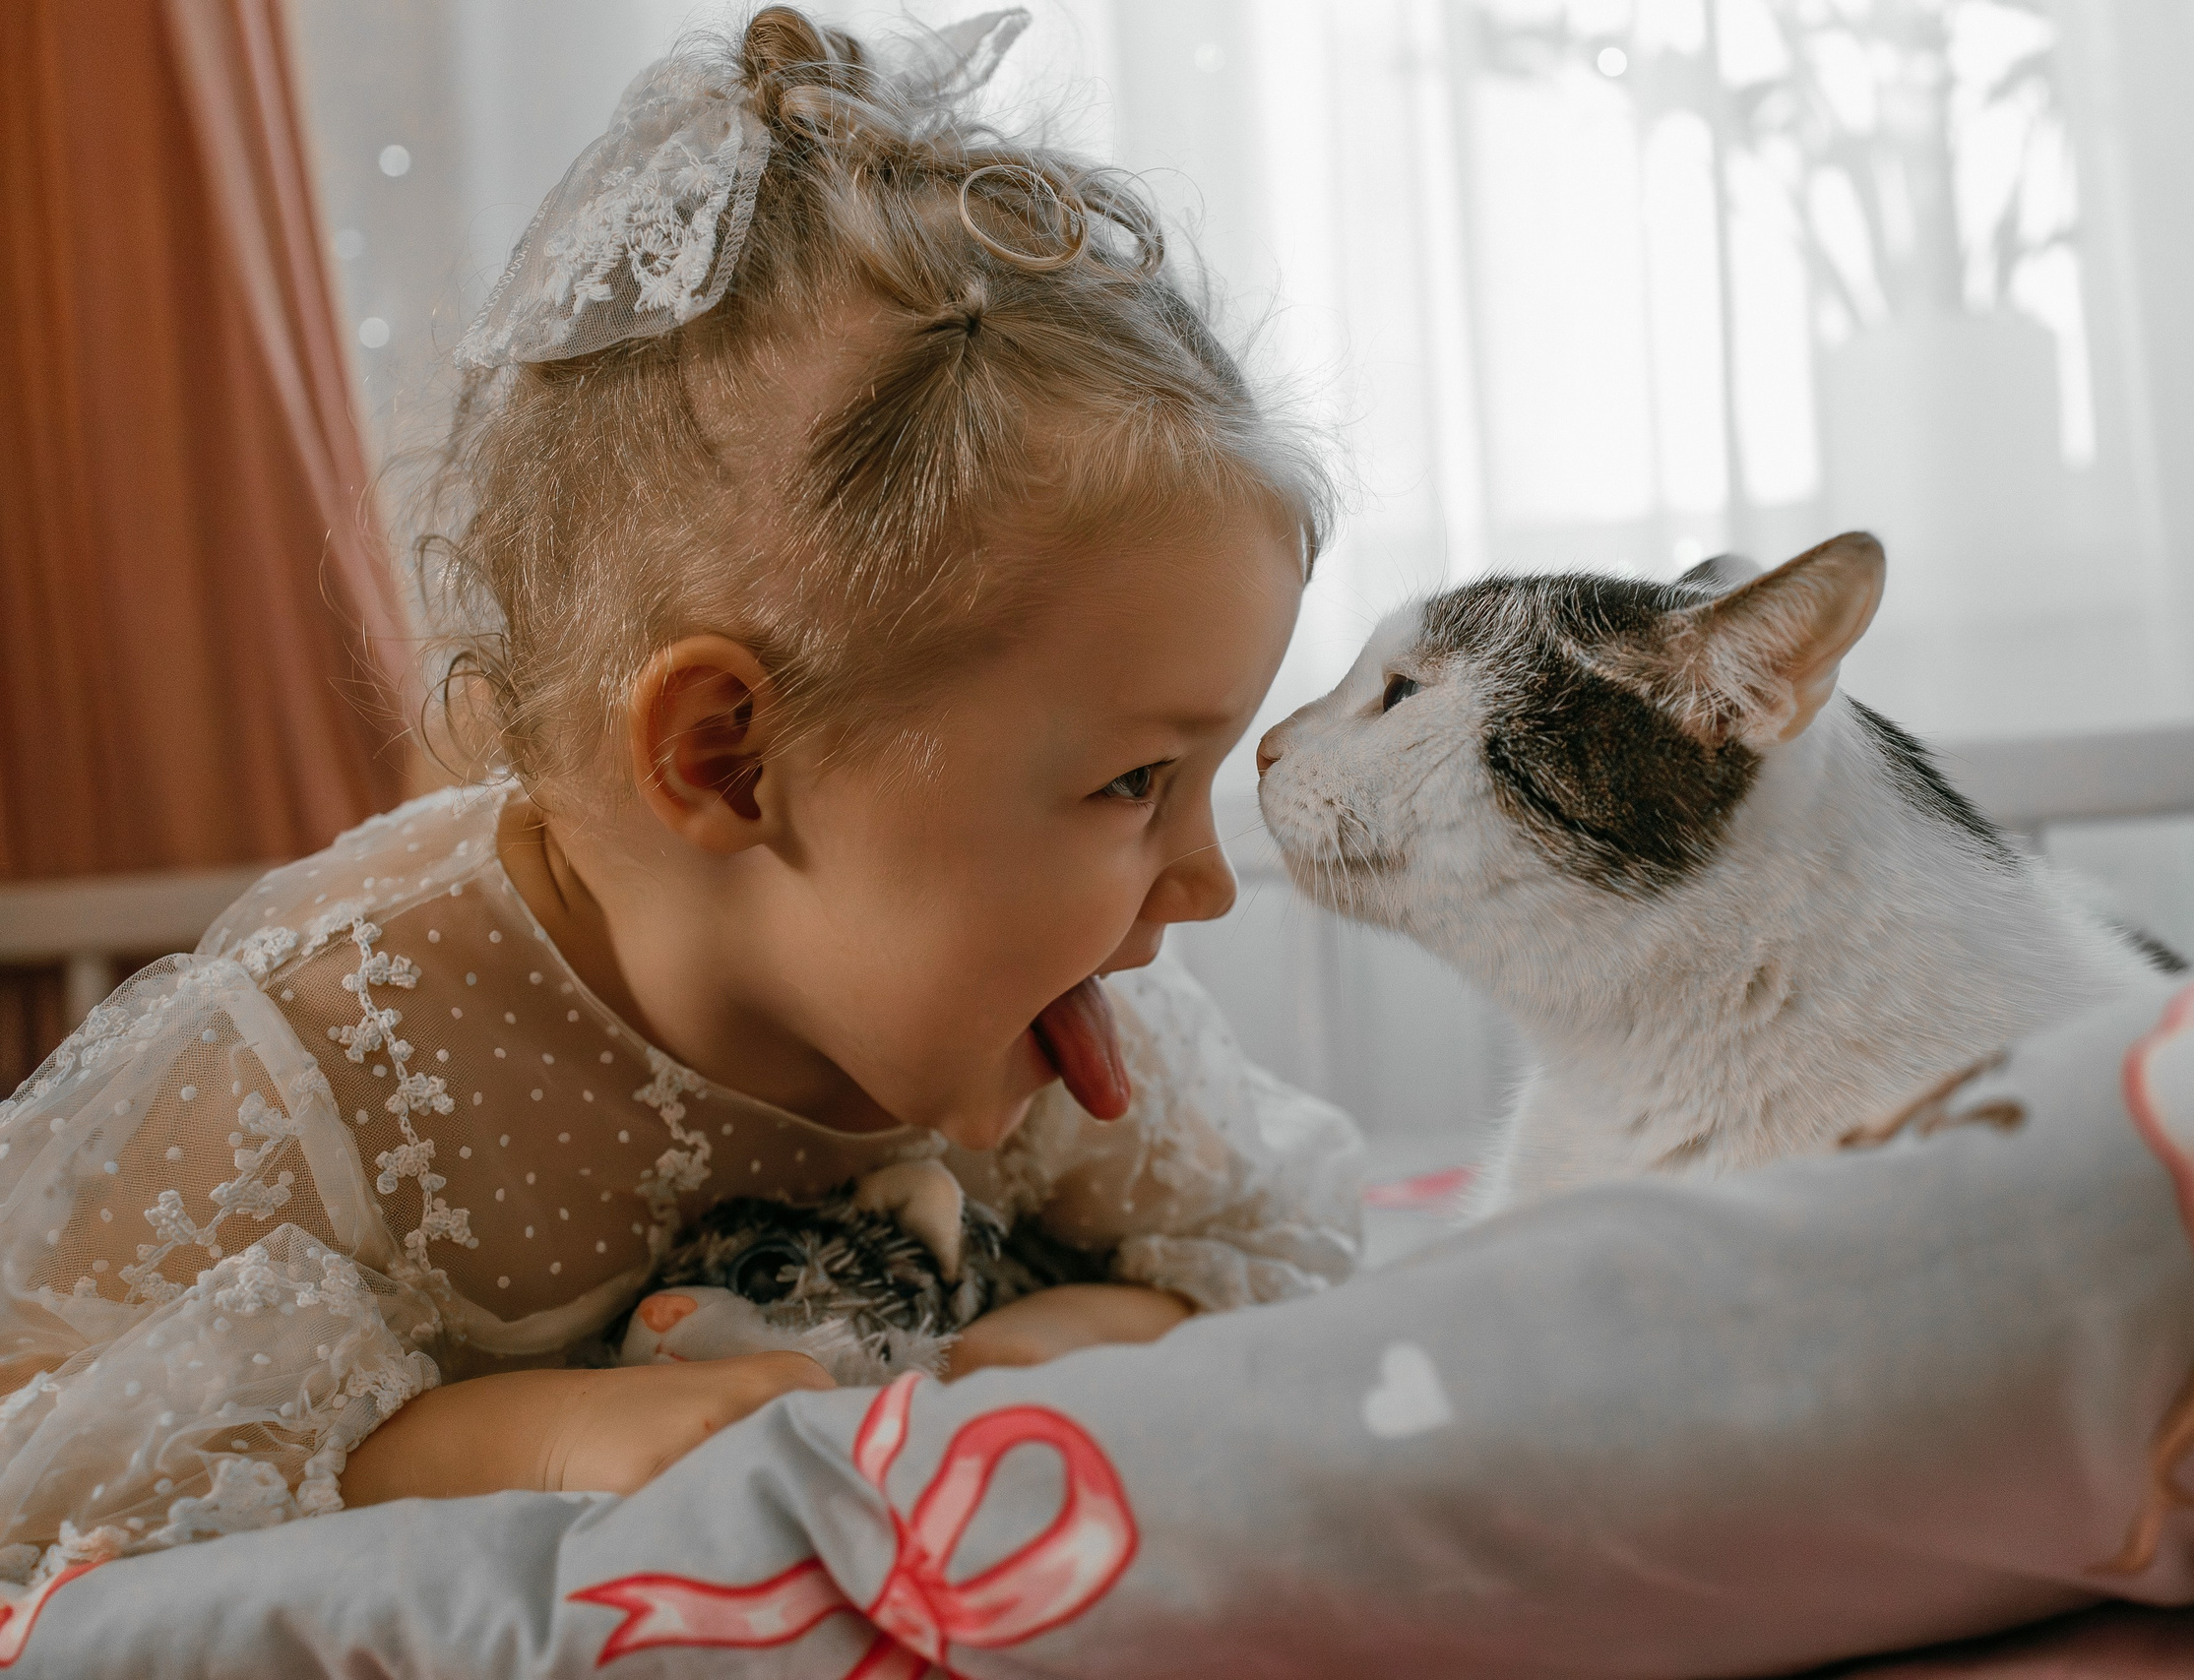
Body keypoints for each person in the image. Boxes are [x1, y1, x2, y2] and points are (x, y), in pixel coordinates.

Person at [0, 5, 1358, 1582]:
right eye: (1136, 782)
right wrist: (513, 1441)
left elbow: (1281, 1261)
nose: (1201, 880)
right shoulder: (326, 1069)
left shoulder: (1043, 1031)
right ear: (729, 757)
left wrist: (1113, 1330)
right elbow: (57, 1457)